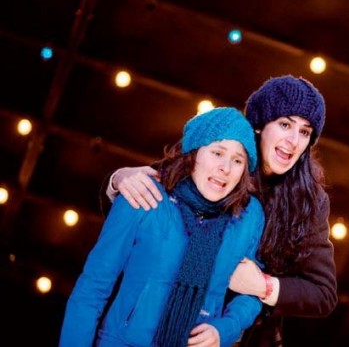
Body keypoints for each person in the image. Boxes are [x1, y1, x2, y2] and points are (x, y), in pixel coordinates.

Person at [103, 75, 338, 346]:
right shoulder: (223, 150)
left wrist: (264, 285)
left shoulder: (310, 201)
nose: (294, 140)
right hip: (160, 319)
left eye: (305, 132)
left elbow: (323, 293)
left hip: (247, 336)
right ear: (261, 124)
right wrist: (118, 179)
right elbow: (146, 194)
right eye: (285, 124)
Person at [60, 107, 265, 347]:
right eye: (217, 152)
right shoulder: (143, 194)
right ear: (194, 153)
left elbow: (252, 290)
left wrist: (224, 330)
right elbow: (91, 290)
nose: (226, 168)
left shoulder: (248, 216)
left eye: (238, 160)